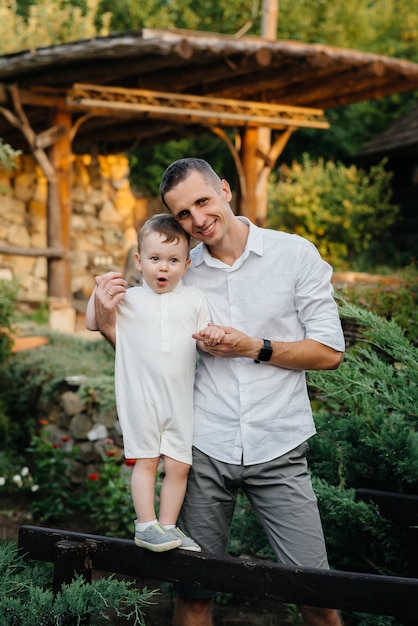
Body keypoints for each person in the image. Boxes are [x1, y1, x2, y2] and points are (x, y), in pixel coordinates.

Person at [89, 158, 346, 626]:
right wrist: (107, 322)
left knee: (318, 596)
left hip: (280, 445)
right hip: (202, 447)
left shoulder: (295, 255)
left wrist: (253, 347)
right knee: (193, 596)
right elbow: (147, 355)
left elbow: (329, 352)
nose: (197, 220)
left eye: (203, 202)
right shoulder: (175, 268)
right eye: (183, 214)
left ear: (225, 191)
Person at [86, 213, 225, 553]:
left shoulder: (194, 299)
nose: (164, 268)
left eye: (174, 260)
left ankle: (168, 528)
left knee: (179, 464)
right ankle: (145, 524)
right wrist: (99, 292)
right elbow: (93, 322)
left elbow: (206, 338)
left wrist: (214, 334)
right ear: (139, 260)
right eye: (155, 259)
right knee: (147, 460)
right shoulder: (130, 298)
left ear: (187, 264)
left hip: (180, 399)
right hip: (141, 396)